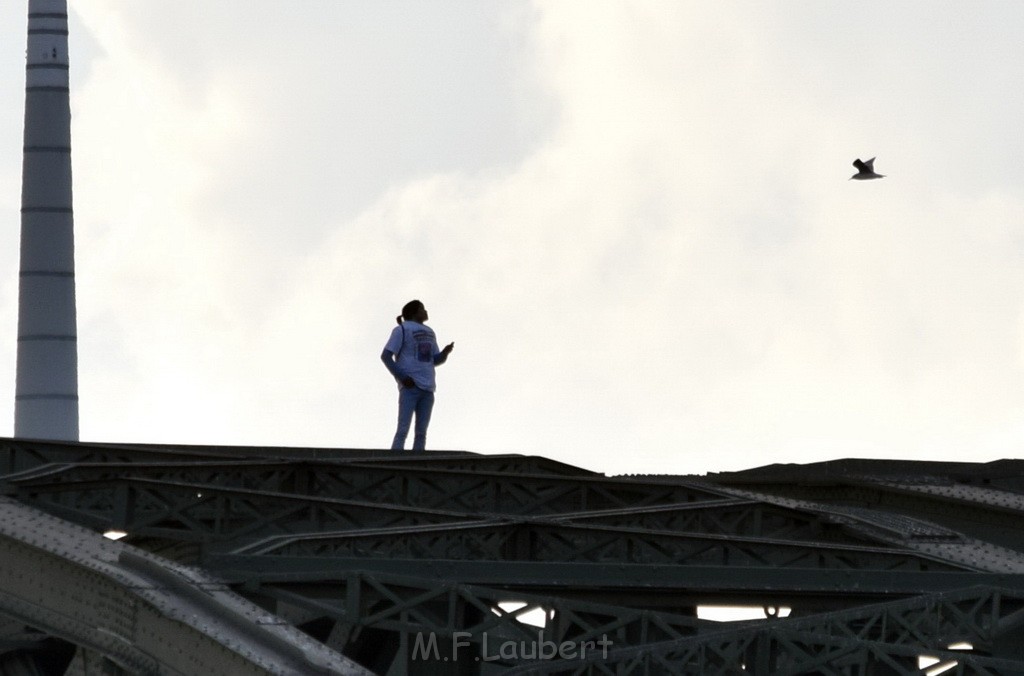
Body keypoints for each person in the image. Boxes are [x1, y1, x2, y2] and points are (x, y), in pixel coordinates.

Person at [380, 300, 454, 451]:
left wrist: (445, 353)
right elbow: (386, 355)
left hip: (428, 387)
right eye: (423, 309)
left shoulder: (430, 332)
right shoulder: (401, 329)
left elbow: (434, 359)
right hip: (410, 385)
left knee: (421, 432)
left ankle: (418, 458)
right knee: (403, 428)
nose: (426, 312)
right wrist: (402, 376)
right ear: (415, 312)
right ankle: (395, 458)